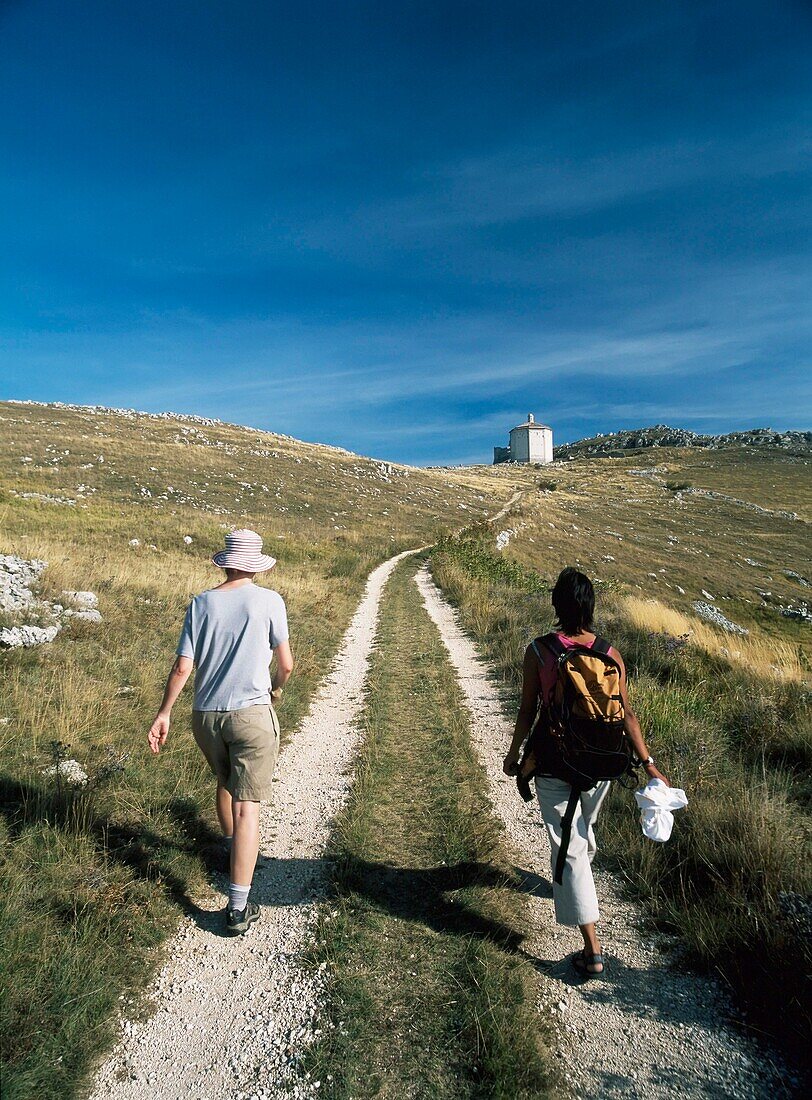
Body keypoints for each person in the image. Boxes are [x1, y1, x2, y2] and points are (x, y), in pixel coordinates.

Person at [503, 567, 668, 976]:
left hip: (556, 762)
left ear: (557, 606)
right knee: (581, 832)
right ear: (591, 607)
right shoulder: (610, 655)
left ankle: (592, 949)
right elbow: (627, 714)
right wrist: (649, 765)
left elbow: (528, 711)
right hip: (602, 763)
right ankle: (575, 881)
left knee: (569, 845)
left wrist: (514, 754)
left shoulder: (539, 652)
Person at [148, 529, 294, 935]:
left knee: (224, 780)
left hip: (205, 716)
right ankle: (237, 907)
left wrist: (164, 714)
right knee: (249, 806)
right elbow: (286, 664)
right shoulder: (269, 601)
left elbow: (182, 667)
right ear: (256, 565)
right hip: (251, 714)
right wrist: (276, 689)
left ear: (226, 562)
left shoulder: (201, 603)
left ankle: (232, 851)